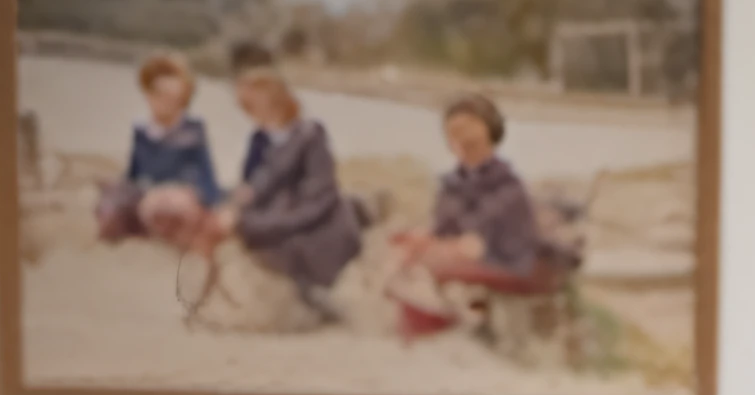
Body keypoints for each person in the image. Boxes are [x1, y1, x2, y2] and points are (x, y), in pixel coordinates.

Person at [218, 43, 368, 317]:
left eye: (254, 103)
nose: (250, 111)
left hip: (320, 229)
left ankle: (317, 295)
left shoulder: (310, 136)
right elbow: (250, 188)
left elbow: (318, 202)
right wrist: (236, 208)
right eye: (246, 105)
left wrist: (250, 222)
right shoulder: (259, 140)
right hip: (279, 222)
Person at [390, 92, 552, 337]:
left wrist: (438, 244)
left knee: (442, 255)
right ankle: (421, 314)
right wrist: (422, 238)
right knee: (403, 244)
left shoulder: (507, 184)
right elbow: (444, 224)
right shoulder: (454, 181)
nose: (460, 136)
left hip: (505, 257)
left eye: (468, 128)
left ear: (489, 131)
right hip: (471, 248)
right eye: (453, 131)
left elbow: (479, 229)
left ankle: (444, 318)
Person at [96, 52, 221, 244]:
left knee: (167, 208)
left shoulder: (193, 130)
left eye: (173, 97)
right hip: (146, 193)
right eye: (157, 94)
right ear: (148, 94)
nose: (164, 102)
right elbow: (134, 173)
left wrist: (209, 202)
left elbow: (206, 174)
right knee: (112, 203)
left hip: (176, 196)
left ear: (183, 98)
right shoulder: (141, 131)